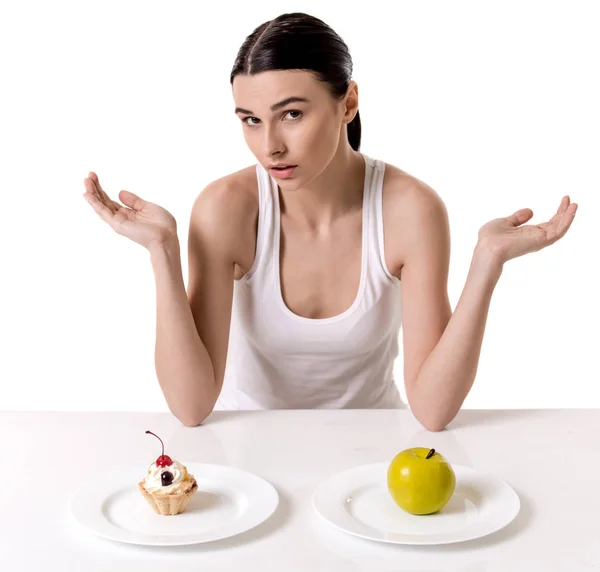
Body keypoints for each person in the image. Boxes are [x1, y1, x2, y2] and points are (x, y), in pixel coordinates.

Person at [82, 12, 577, 431]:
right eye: (250, 119)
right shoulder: (227, 207)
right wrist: (163, 252)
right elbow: (190, 409)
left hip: (372, 450)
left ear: (348, 103)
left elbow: (432, 411)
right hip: (246, 446)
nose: (270, 145)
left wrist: (486, 264)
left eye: (292, 114)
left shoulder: (410, 208)